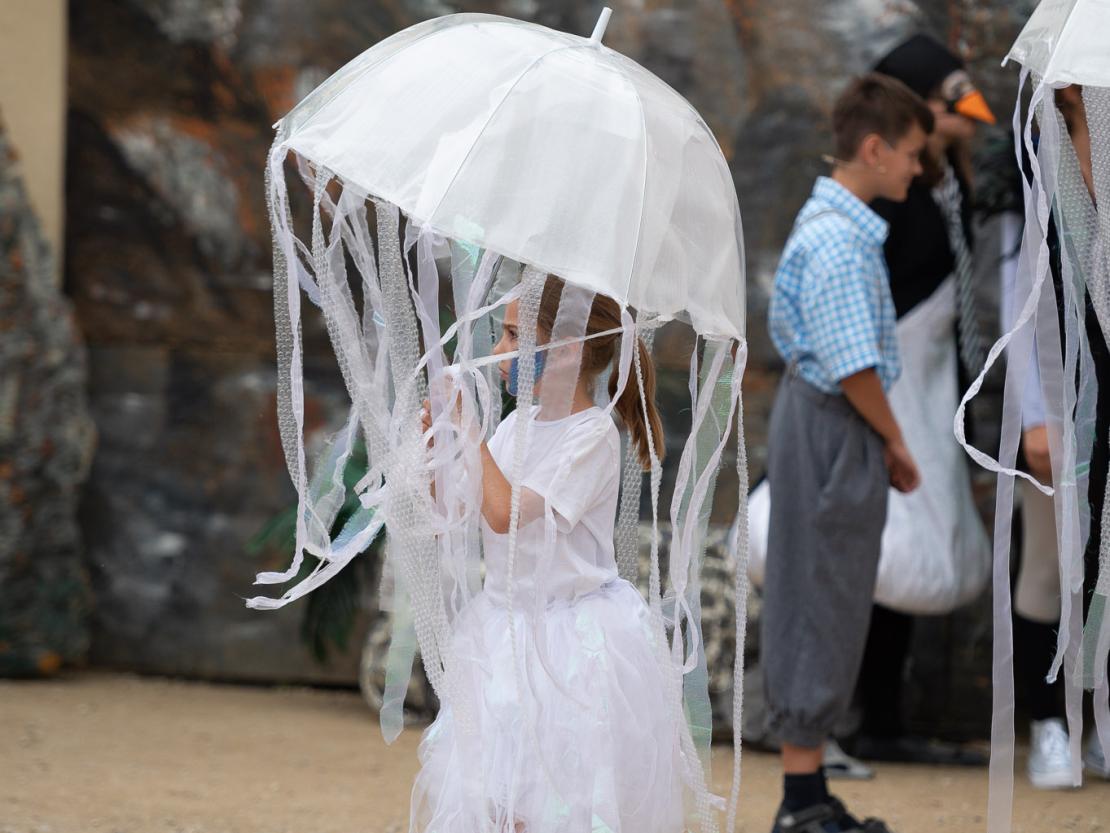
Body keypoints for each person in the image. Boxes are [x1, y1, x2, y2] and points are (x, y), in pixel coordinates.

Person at [413, 277, 689, 833]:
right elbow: (454, 517)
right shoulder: (517, 426)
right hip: (503, 632)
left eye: (513, 335)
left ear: (562, 350)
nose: (497, 352)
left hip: (570, 646)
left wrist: (470, 435)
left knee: (555, 797)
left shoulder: (591, 437)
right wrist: (438, 456)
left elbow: (506, 513)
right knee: (495, 795)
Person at [763, 73, 929, 833]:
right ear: (874, 148)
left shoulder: (843, 228)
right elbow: (852, 362)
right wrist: (894, 438)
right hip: (833, 423)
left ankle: (809, 791)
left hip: (829, 422)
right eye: (913, 153)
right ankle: (800, 803)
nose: (919, 169)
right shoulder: (837, 239)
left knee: (828, 589)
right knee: (819, 590)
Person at [849, 34, 996, 766]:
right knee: (879, 542)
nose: (967, 108)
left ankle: (881, 714)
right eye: (949, 96)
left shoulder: (944, 184)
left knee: (907, 545)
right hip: (895, 379)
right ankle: (855, 713)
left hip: (935, 381)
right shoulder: (894, 197)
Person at [986, 85, 1110, 789]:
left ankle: (1100, 724)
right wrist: (1034, 413)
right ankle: (1049, 726)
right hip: (1059, 397)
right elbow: (1020, 300)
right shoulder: (1035, 163)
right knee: (1047, 565)